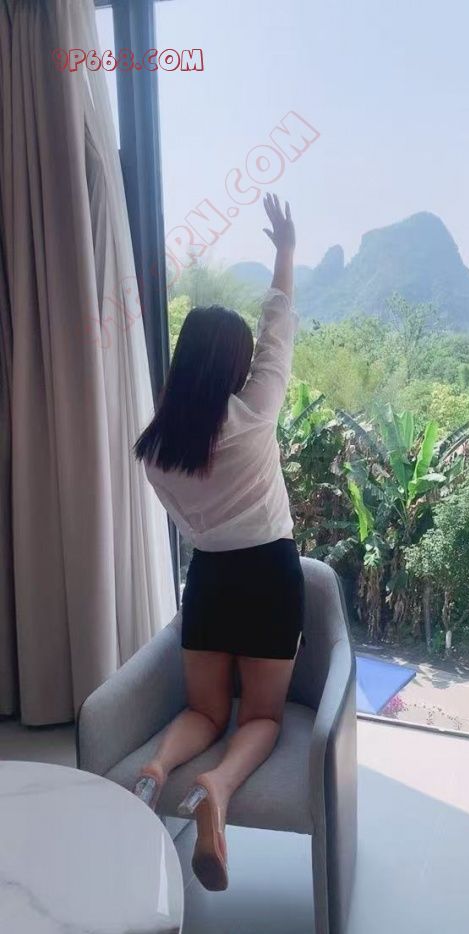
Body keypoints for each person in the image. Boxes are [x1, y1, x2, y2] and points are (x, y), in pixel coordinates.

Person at [132, 193, 303, 892]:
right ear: (234, 367)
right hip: (269, 576)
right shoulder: (254, 413)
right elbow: (278, 328)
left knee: (204, 708)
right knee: (259, 715)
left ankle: (155, 768)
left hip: (207, 581)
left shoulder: (155, 452)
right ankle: (220, 787)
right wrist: (285, 251)